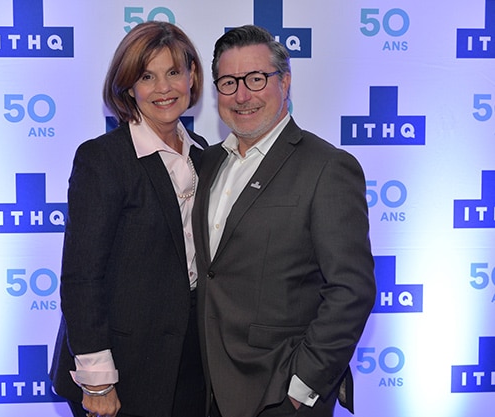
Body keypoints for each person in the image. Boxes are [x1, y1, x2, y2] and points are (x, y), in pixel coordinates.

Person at [192, 25, 376, 417]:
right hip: (206, 391)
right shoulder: (207, 163)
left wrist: (301, 386)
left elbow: (351, 290)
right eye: (228, 82)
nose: (242, 95)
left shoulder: (327, 167)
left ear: (285, 82)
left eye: (256, 79)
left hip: (278, 393)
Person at [50, 21, 207, 417]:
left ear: (192, 75)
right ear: (128, 87)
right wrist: (98, 379)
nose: (163, 88)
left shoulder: (204, 154)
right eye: (147, 76)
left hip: (191, 364)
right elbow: (82, 276)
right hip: (122, 368)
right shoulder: (104, 159)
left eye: (173, 72)